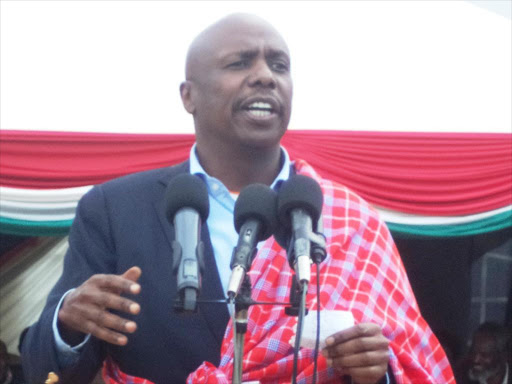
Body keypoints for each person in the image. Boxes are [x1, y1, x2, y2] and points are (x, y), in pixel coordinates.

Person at [20, 13, 454, 383]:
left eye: (279, 65)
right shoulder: (114, 209)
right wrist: (67, 322)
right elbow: (43, 367)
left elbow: (407, 361)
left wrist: (376, 369)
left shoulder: (349, 220)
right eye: (239, 63)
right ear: (188, 95)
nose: (265, 75)